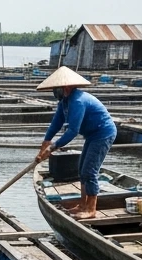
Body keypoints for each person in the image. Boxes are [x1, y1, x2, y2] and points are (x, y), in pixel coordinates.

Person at [34, 67, 117, 219]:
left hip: (103, 133)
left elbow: (73, 130)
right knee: (81, 170)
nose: (54, 91)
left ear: (65, 87)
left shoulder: (78, 101)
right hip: (91, 135)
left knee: (89, 171)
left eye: (56, 88)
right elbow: (55, 124)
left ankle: (91, 209)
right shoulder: (64, 102)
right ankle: (82, 205)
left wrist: (53, 148)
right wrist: (44, 145)